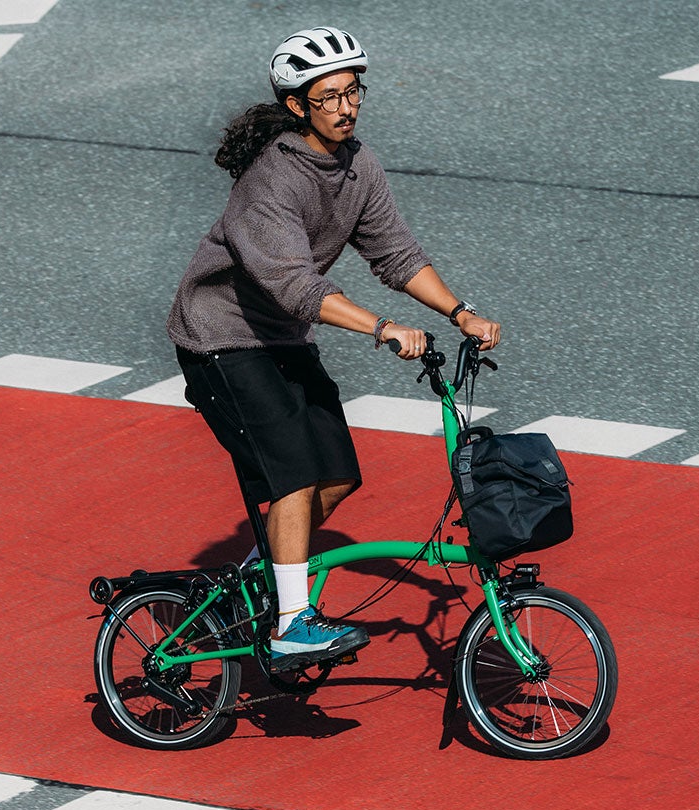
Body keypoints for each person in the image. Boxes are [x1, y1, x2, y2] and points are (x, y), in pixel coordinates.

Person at [167, 26, 502, 666]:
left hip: (282, 338)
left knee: (338, 475)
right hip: (223, 339)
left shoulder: (358, 167)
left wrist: (460, 312)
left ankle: (256, 583)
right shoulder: (271, 182)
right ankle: (291, 621)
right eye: (331, 97)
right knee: (291, 473)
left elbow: (395, 254)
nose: (347, 107)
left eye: (354, 92)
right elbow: (295, 286)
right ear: (298, 106)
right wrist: (382, 328)